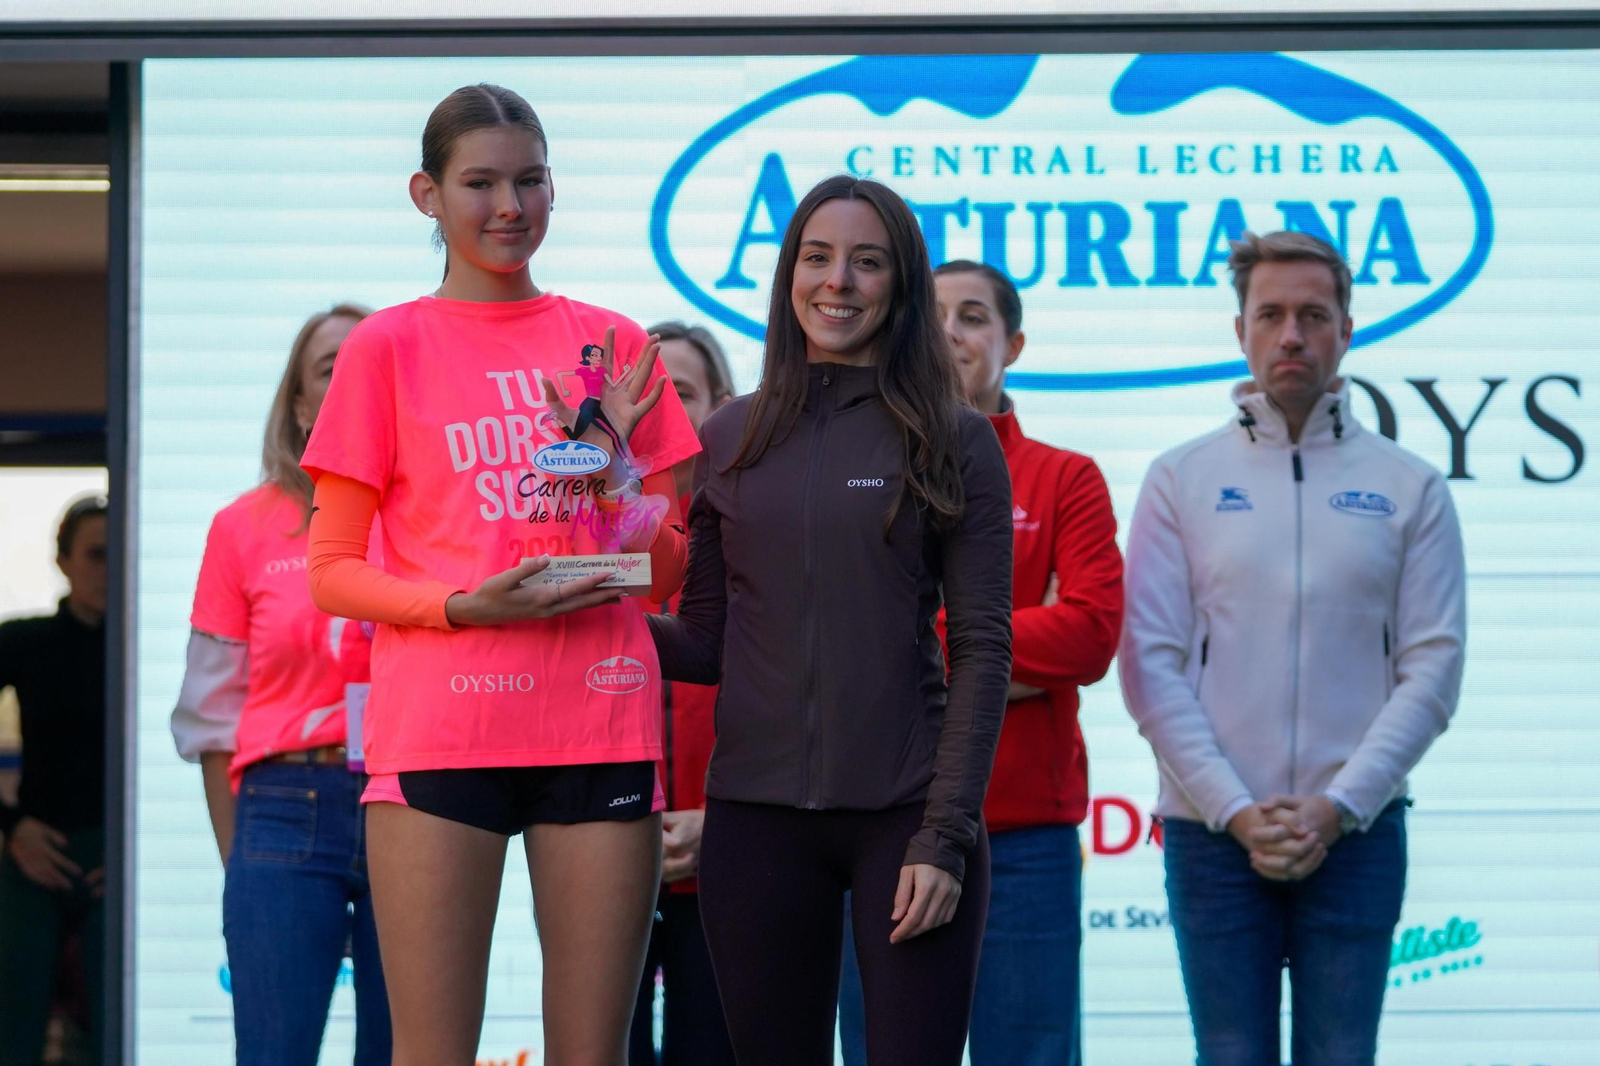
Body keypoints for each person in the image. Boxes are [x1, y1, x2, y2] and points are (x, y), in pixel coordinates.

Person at [299, 83, 701, 1066]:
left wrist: (611, 467)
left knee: (593, 1055)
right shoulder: (386, 347)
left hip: (597, 718)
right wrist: (459, 604)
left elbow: (665, 566)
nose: (509, 206)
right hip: (442, 728)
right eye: (479, 182)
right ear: (425, 195)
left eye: (529, 180)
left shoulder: (612, 344)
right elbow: (332, 572)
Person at [649, 175, 1014, 1066]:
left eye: (867, 262)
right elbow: (703, 643)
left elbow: (982, 650)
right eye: (817, 257)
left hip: (906, 818)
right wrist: (575, 609)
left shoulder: (953, 437)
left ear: (900, 284)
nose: (837, 281)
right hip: (754, 825)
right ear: (789, 275)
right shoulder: (730, 437)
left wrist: (945, 835)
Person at [1119, 230, 1466, 1066]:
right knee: (1230, 1055)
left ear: (1348, 329)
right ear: (1239, 330)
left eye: (1314, 314)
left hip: (1357, 833)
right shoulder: (1180, 479)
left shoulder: (1409, 485)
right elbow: (1149, 667)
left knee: (1342, 1055)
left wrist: (1339, 806)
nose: (1292, 335)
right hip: (1211, 836)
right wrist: (1235, 810)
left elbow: (1434, 668)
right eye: (1270, 314)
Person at [837, 259, 1124, 1066]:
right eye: (931, 315)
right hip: (883, 826)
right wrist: (1003, 653)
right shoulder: (859, 471)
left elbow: (1092, 634)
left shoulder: (1066, 478)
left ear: (1014, 343)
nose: (949, 333)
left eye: (972, 316)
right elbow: (843, 636)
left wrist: (924, 642)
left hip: (1024, 835)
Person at [169, 303, 393, 1066]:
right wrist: (244, 871)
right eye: (331, 370)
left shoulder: (431, 518)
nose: (352, 382)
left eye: (370, 367)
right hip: (284, 812)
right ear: (299, 406)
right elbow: (211, 716)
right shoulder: (242, 527)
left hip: (414, 804)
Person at [627, 321, 738, 1066]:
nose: (661, 412)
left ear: (722, 408)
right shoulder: (578, 534)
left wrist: (720, 820)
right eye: (643, 396)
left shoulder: (763, 534)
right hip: (602, 852)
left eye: (682, 392)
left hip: (729, 859)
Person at [0, 494, 108, 1066]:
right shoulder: (24, 642)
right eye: (95, 554)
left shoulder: (150, 649)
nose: (106, 569)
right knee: (15, 1015)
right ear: (64, 561)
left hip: (114, 855)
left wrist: (140, 854)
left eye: (119, 554)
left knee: (116, 1016)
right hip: (35, 847)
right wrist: (11, 826)